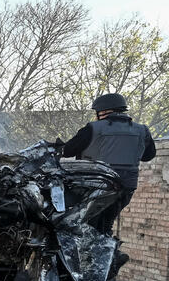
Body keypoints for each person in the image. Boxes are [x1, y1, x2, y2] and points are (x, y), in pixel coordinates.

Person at [61, 92, 156, 235]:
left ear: (103, 111)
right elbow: (149, 156)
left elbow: (67, 151)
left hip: (94, 187)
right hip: (125, 188)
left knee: (87, 227)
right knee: (106, 225)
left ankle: (92, 254)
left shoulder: (93, 128)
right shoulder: (142, 130)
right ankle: (109, 251)